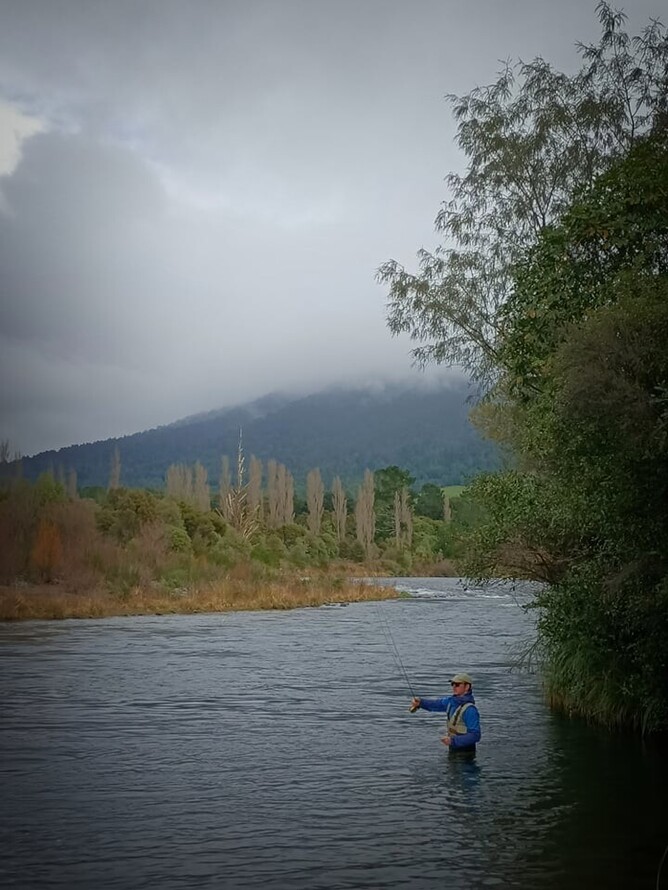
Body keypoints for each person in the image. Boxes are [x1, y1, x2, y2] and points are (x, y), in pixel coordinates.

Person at [409, 672, 481, 753]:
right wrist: (421, 702)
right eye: (452, 684)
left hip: (466, 752)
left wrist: (453, 741)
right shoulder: (451, 702)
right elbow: (437, 704)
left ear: (467, 687)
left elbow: (475, 735)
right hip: (453, 748)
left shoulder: (470, 710)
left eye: (457, 684)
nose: (454, 687)